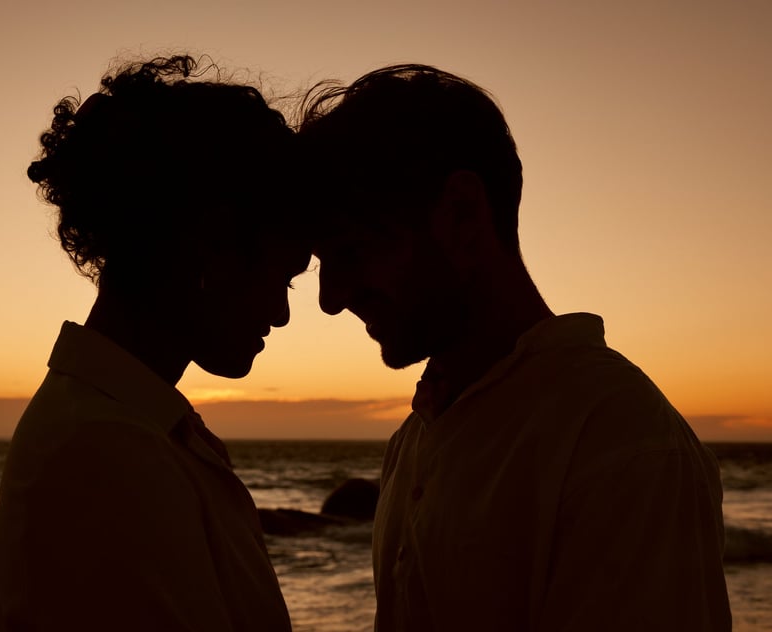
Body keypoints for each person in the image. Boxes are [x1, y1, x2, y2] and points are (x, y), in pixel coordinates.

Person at [298, 65, 731, 631]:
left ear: (461, 213)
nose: (331, 298)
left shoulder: (617, 437)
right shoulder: (420, 436)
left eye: (353, 251)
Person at [0, 56, 306, 631]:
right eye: (280, 276)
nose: (282, 314)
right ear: (212, 246)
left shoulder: (129, 425)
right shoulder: (108, 450)